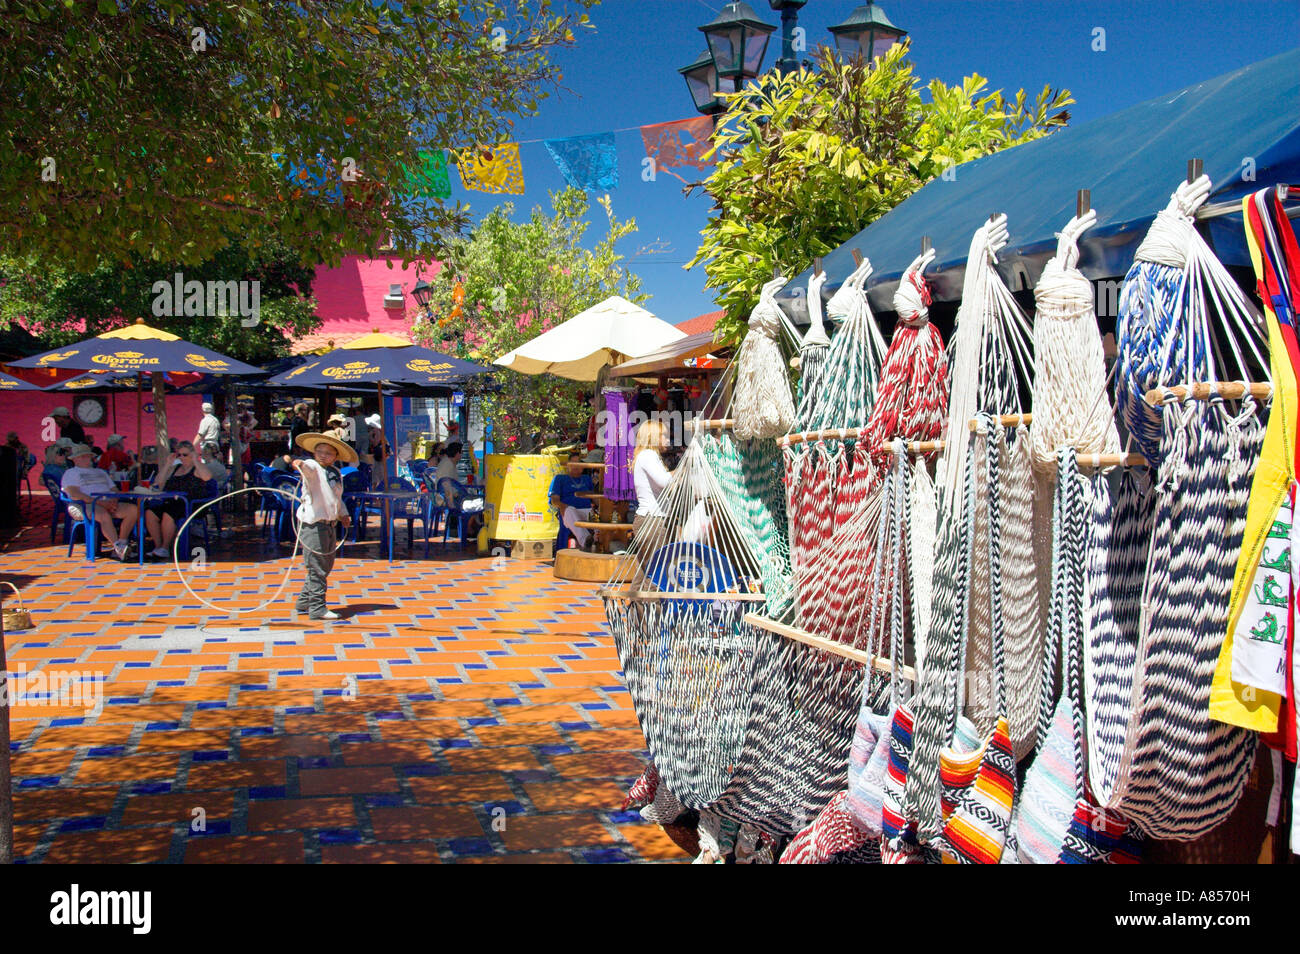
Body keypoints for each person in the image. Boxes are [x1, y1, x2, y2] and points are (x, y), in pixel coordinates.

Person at [291, 431, 356, 621]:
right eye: (320, 451)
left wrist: (343, 513)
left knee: (325, 565)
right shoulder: (312, 467)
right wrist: (299, 464)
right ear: (314, 453)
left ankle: (304, 600)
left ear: (336, 455)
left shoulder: (335, 473)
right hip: (313, 524)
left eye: (328, 452)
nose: (323, 455)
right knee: (317, 565)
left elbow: (336, 497)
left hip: (329, 524)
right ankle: (317, 607)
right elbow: (307, 469)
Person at [60, 444, 140, 560]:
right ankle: (119, 547)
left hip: (107, 502)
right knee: (103, 514)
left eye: (88, 456)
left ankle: (121, 544)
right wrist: (101, 503)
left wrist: (114, 501)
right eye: (83, 457)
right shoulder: (71, 473)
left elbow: (114, 490)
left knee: (133, 510)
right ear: (75, 459)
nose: (87, 459)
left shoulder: (100, 472)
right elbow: (75, 494)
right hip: (84, 505)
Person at [143, 441, 214, 559]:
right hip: (171, 501)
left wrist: (196, 460)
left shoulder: (197, 468)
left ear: (191, 454)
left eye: (185, 455)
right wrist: (167, 464)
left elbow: (207, 477)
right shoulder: (175, 468)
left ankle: (165, 547)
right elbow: (158, 481)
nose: (182, 458)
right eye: (179, 455)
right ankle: (158, 546)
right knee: (150, 512)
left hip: (189, 504)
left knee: (169, 513)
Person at [631, 419, 672, 557]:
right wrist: (682, 471)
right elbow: (666, 482)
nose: (668, 440)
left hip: (649, 520)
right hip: (652, 521)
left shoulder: (646, 456)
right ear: (653, 437)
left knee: (645, 571)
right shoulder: (649, 455)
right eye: (664, 436)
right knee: (658, 570)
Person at [549, 449, 594, 549]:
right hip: (569, 512)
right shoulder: (560, 479)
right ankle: (587, 541)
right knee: (569, 510)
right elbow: (554, 500)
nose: (576, 466)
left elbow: (594, 498)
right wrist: (562, 506)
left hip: (587, 512)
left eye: (578, 463)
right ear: (568, 465)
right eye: (573, 463)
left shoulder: (587, 478)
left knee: (601, 517)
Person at [364, 413, 390, 488]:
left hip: (379, 456)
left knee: (377, 475)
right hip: (382, 456)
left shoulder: (377, 432)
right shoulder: (382, 432)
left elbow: (375, 443)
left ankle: (377, 491)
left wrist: (370, 437)